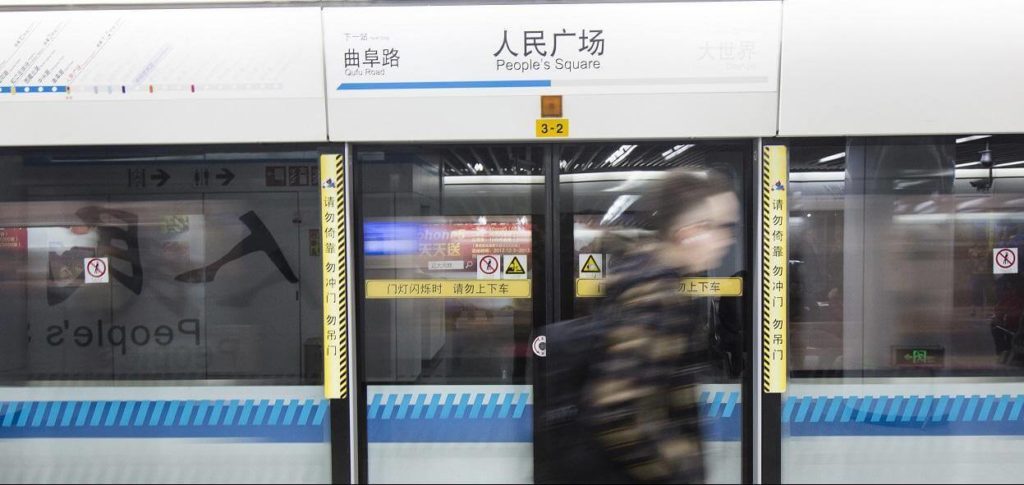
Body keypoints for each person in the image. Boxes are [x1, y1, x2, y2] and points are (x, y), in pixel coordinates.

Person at [550, 169, 739, 484]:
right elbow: (617, 409)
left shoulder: (639, 273)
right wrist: (682, 471)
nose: (727, 239)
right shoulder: (656, 294)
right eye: (721, 228)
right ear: (689, 232)